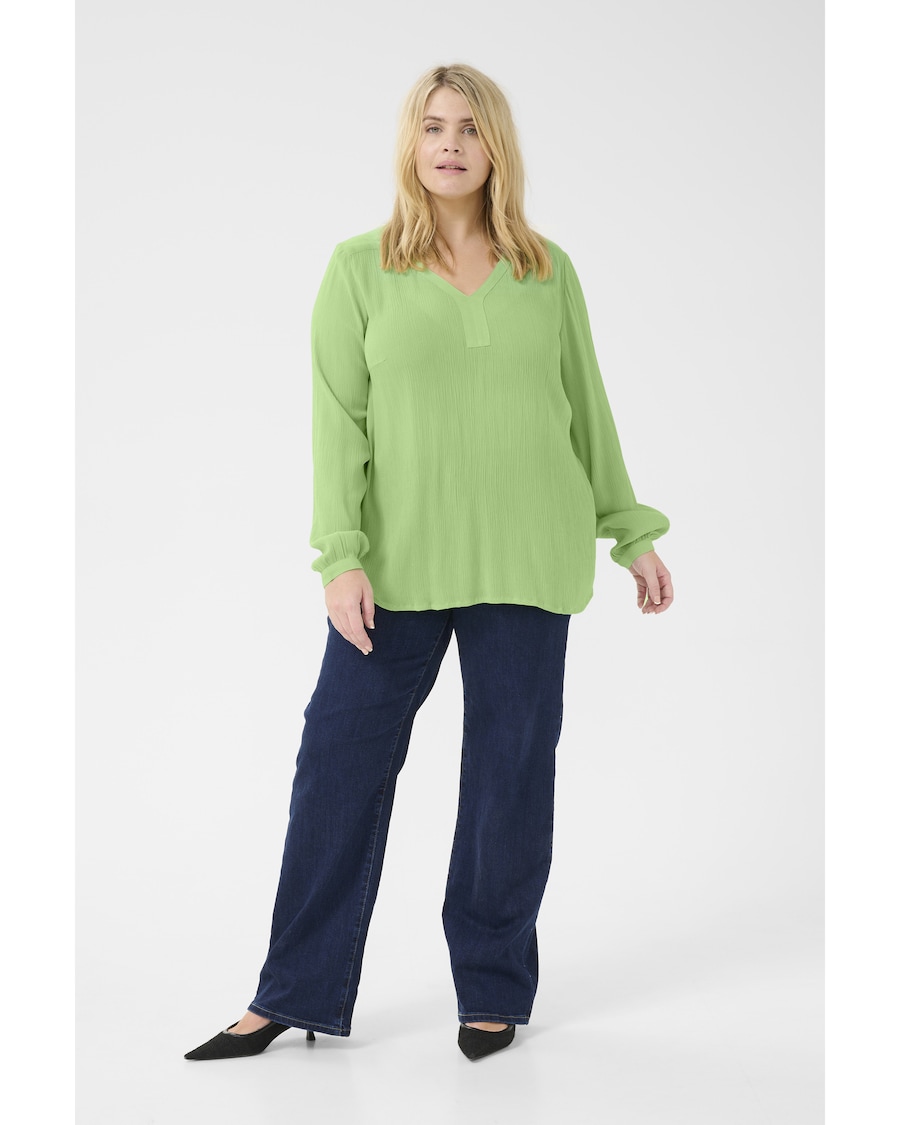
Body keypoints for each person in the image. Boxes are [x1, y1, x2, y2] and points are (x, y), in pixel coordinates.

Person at [185, 61, 674, 1065]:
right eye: (433, 126)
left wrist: (631, 530)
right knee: (337, 764)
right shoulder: (358, 268)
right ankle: (292, 990)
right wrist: (340, 557)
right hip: (396, 569)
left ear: (498, 147)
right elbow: (338, 424)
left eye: (470, 128)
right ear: (411, 144)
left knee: (509, 776)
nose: (451, 144)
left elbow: (586, 408)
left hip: (529, 558)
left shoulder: (547, 271)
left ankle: (491, 989)